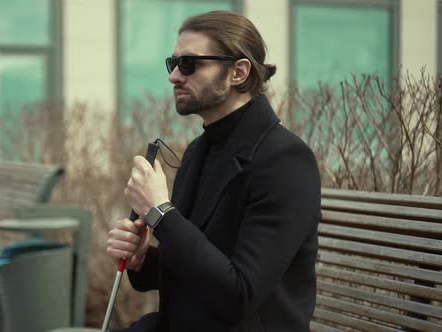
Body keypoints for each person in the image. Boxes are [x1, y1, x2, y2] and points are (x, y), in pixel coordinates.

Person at [106, 10, 321, 332]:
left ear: (238, 72)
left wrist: (161, 213)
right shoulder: (198, 150)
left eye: (189, 64)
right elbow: (194, 270)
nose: (174, 76)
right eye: (173, 63)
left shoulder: (285, 161)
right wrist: (142, 260)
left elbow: (240, 294)